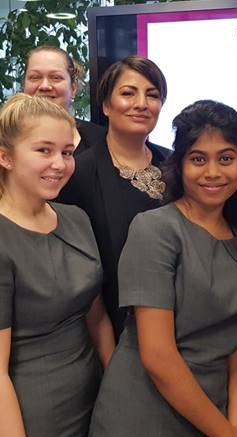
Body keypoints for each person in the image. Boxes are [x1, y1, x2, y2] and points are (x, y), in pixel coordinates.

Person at [87, 100, 237, 437]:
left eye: (226, 158)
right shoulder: (156, 229)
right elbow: (157, 356)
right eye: (198, 159)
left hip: (214, 418)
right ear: (179, 165)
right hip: (146, 416)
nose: (212, 171)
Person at [0, 93, 115, 437]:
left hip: (94, 401)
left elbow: (97, 318)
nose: (59, 164)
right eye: (44, 151)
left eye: (67, 152)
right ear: (5, 157)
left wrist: (120, 392)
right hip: (32, 417)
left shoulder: (76, 219)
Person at [58, 55, 168, 338]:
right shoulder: (78, 173)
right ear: (106, 105)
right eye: (128, 93)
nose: (141, 103)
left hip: (178, 325)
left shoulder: (175, 166)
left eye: (152, 95)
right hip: (109, 331)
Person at [0, 46, 105, 160]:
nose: (44, 86)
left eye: (56, 77)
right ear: (24, 85)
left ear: (73, 88)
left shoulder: (101, 141)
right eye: (35, 77)